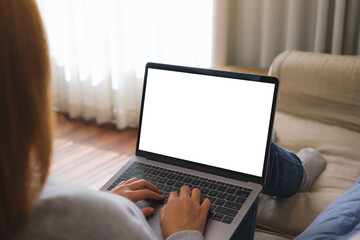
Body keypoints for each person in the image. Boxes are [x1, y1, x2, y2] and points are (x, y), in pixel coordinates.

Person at [0, 0, 328, 240]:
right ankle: (293, 172)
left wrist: (101, 202)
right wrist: (183, 234)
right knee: (249, 159)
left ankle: (269, 149)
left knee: (235, 155)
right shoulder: (93, 220)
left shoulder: (50, 206)